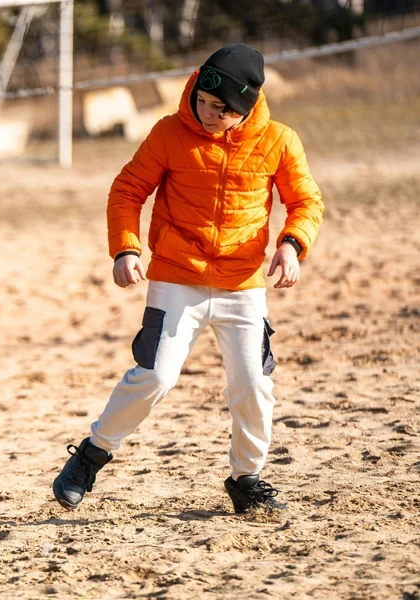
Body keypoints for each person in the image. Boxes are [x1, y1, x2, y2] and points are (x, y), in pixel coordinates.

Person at [52, 43, 324, 514]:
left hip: (243, 287)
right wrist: (125, 248)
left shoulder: (279, 141)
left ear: (245, 108)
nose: (206, 113)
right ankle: (92, 455)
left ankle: (247, 478)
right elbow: (126, 191)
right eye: (201, 100)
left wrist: (291, 244)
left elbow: (306, 202)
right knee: (155, 375)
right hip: (176, 279)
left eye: (220, 109)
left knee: (253, 386)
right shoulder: (167, 133)